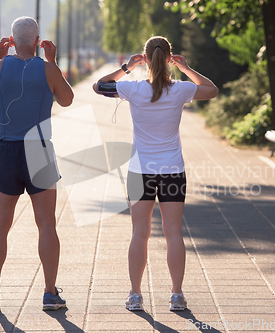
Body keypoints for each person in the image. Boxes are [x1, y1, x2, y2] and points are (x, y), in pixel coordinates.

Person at [92, 36, 218, 311]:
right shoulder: (181, 90)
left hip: (140, 172)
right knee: (173, 232)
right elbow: (211, 90)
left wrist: (127, 67)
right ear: (170, 57)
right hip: (172, 171)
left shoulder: (134, 88)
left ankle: (136, 296)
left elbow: (98, 86)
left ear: (145, 58)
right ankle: (176, 296)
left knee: (140, 233)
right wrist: (185, 68)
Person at [0, 17, 74, 311]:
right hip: (40, 150)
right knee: (46, 224)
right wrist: (53, 63)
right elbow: (67, 100)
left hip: (7, 151)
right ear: (39, 40)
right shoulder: (48, 69)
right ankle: (50, 294)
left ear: (13, 41)